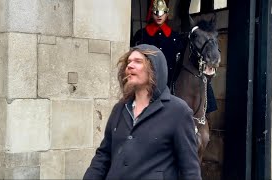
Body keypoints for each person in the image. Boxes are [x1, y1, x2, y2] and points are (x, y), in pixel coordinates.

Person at [83, 44, 201, 180]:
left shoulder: (178, 111)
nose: (130, 66)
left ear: (155, 68)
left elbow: (190, 169)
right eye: (129, 62)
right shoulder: (120, 108)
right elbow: (103, 156)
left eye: (138, 61)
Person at [132, 0, 218, 114]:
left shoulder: (175, 37)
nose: (159, 16)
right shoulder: (141, 34)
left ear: (167, 14)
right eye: (156, 12)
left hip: (170, 81)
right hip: (147, 81)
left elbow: (187, 57)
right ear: (151, 14)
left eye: (162, 13)